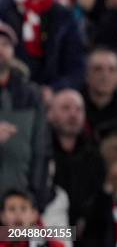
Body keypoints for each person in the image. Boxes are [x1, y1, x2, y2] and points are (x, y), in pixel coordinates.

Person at [0, 0, 85, 99]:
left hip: (54, 95)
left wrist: (54, 90)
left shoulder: (65, 16)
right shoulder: (2, 11)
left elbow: (76, 65)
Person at [0, 20, 51, 211]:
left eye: (5, 44)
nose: (0, 50)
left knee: (61, 235)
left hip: (20, 205)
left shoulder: (31, 94)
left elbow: (41, 149)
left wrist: (36, 197)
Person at [48, 89, 106, 227]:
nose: (73, 114)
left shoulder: (94, 154)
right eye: (65, 108)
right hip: (43, 227)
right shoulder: (39, 151)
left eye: (78, 109)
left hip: (83, 230)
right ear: (50, 113)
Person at [82, 47, 117, 141]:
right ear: (86, 74)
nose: (105, 76)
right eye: (98, 69)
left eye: (111, 70)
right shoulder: (75, 107)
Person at [0, 189, 65, 247]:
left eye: (23, 208)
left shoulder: (50, 244)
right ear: (2, 216)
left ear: (34, 215)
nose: (18, 214)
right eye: (12, 209)